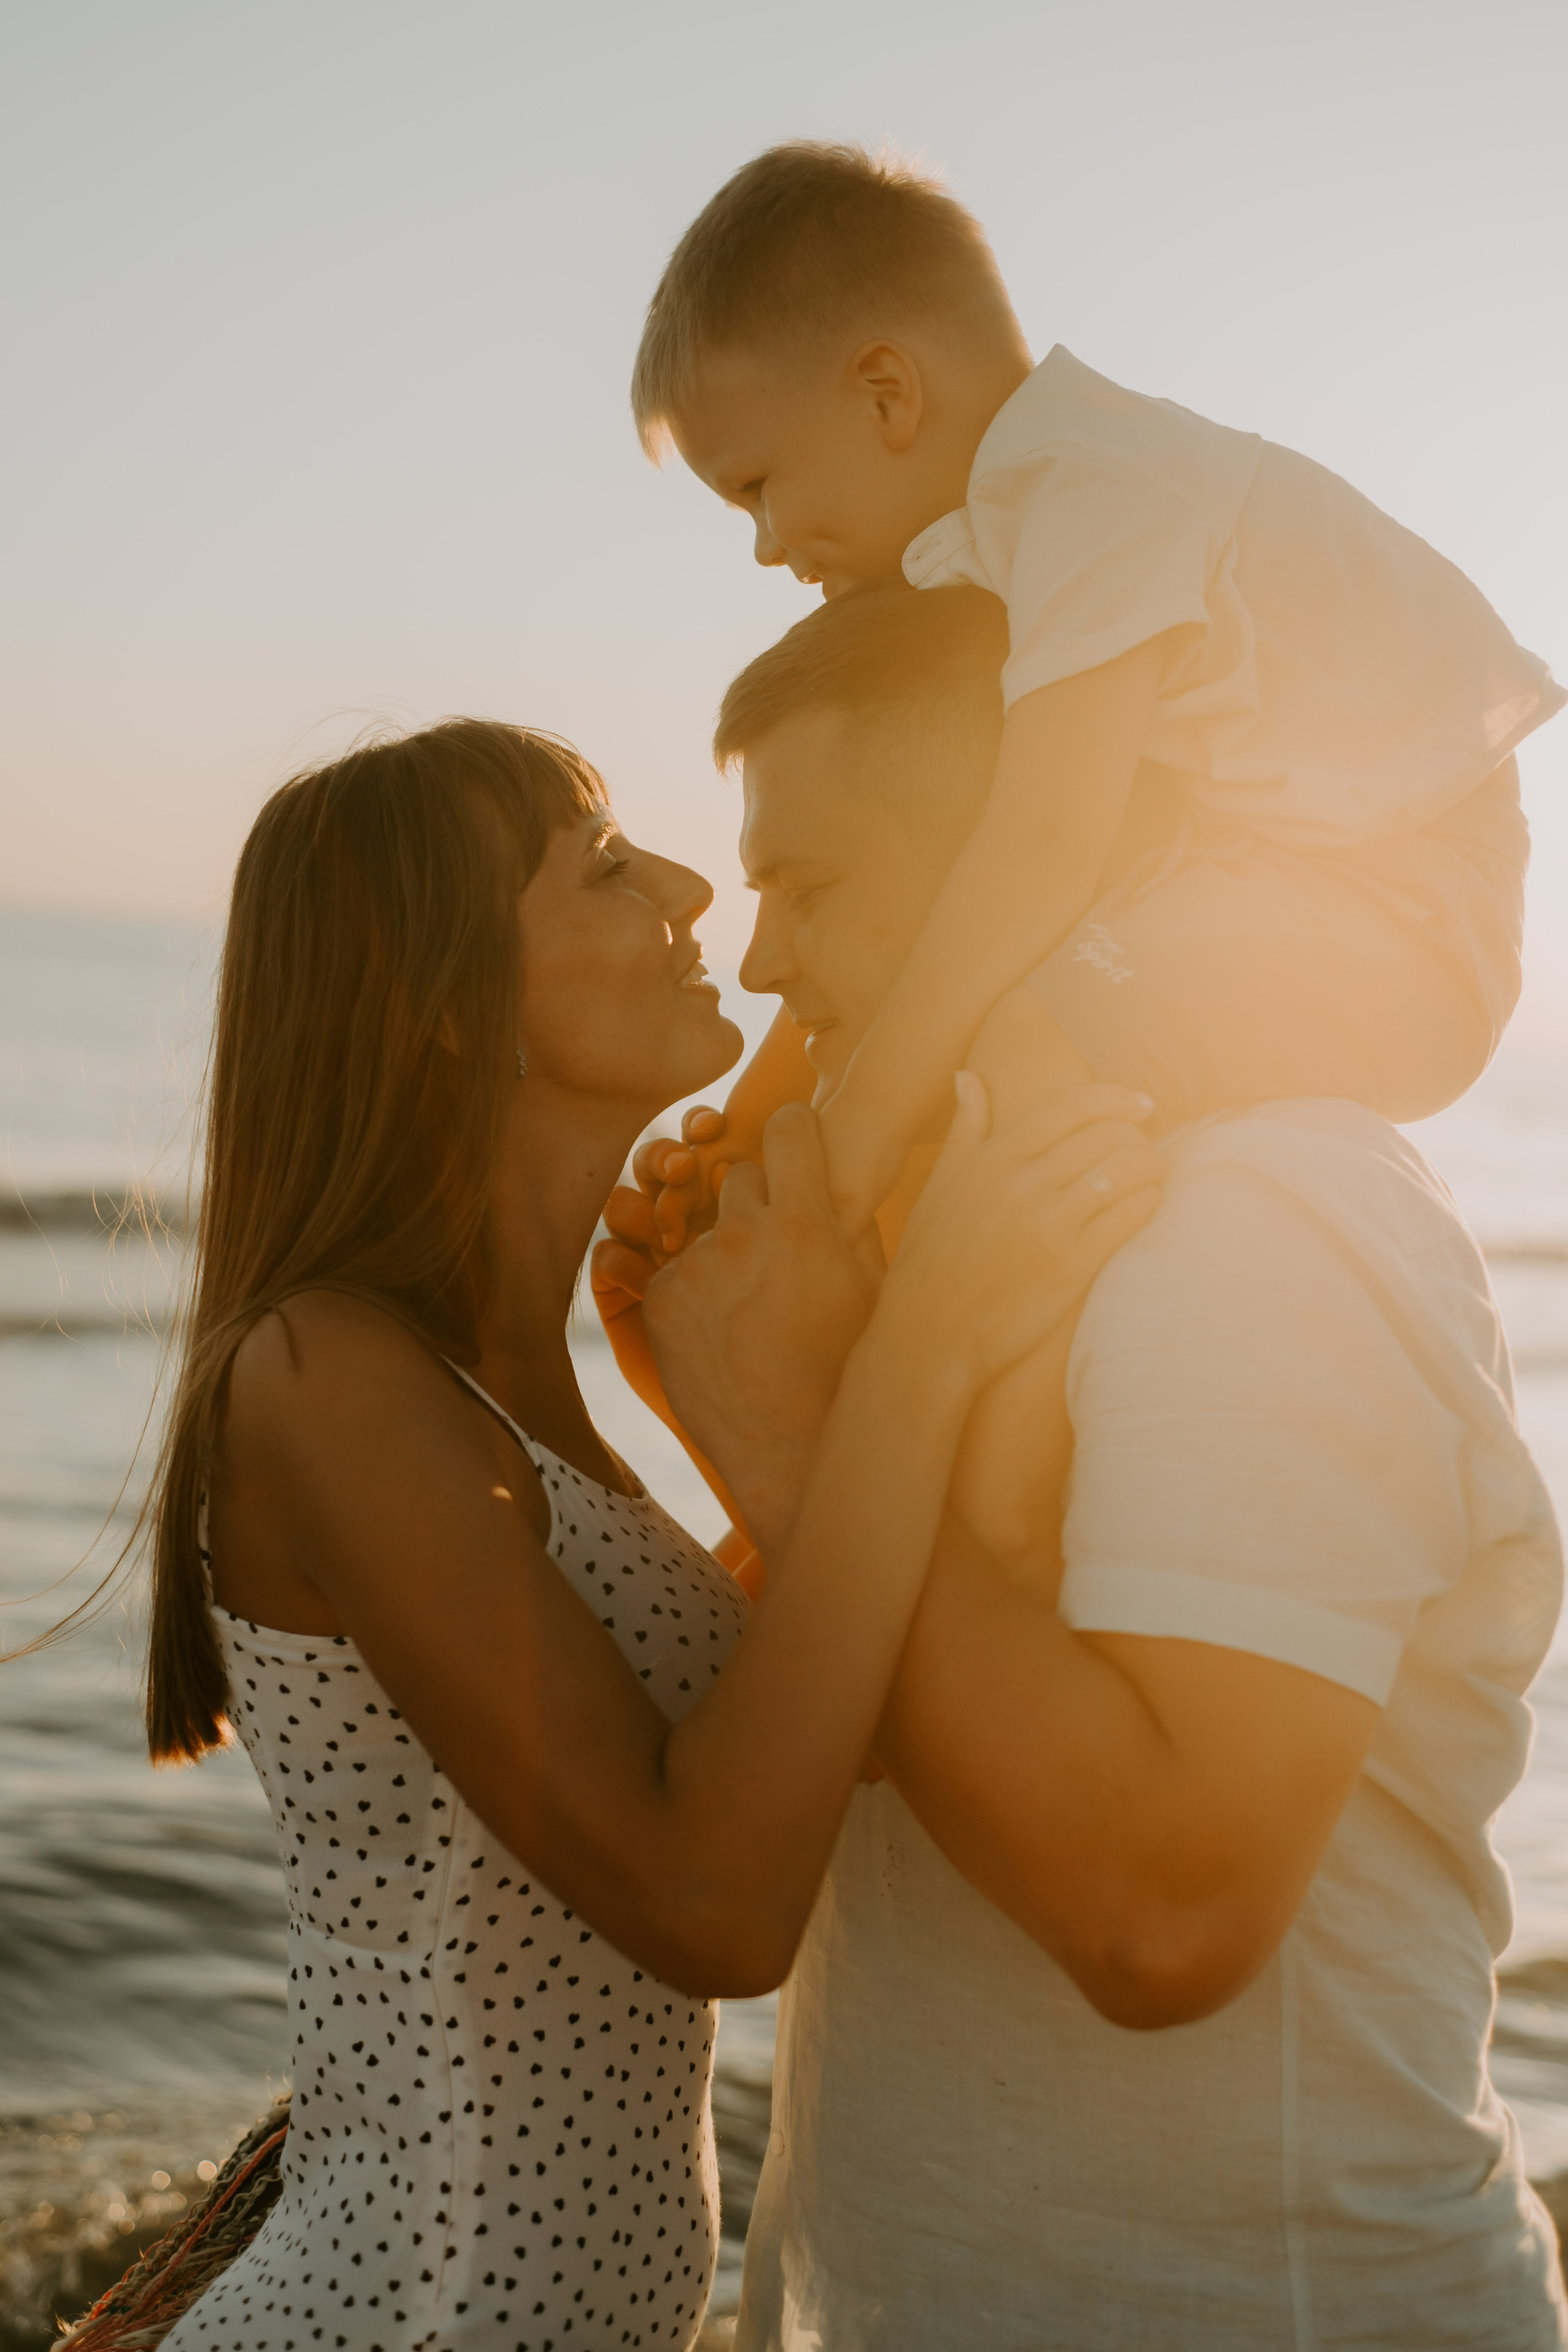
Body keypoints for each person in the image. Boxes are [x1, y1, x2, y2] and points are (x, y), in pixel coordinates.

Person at [595, 586, 1568, 2348]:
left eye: (811, 883)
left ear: (1021, 868)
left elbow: (1161, 1914)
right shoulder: (975, 1233)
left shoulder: (1255, 1225)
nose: (760, 962)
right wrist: (726, 1389)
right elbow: (885, 1730)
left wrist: (792, 1433)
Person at [144, 717, 1156, 2352]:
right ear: (445, 1003)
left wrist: (730, 1392)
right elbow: (714, 1907)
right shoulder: (331, 1378)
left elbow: (815, 1729)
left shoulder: (525, 1406)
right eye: (607, 869)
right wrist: (915, 1357)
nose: (690, 887)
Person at [629, 140, 1565, 1244]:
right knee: (960, 1045)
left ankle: (912, 1346)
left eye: (756, 489)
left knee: (1023, 1049)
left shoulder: (1098, 492)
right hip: (1261, 883)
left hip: (1405, 918)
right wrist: (766, 1123)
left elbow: (1043, 844)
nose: (764, 546)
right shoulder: (1015, 536)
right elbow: (918, 879)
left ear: (887, 395)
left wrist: (854, 1131)